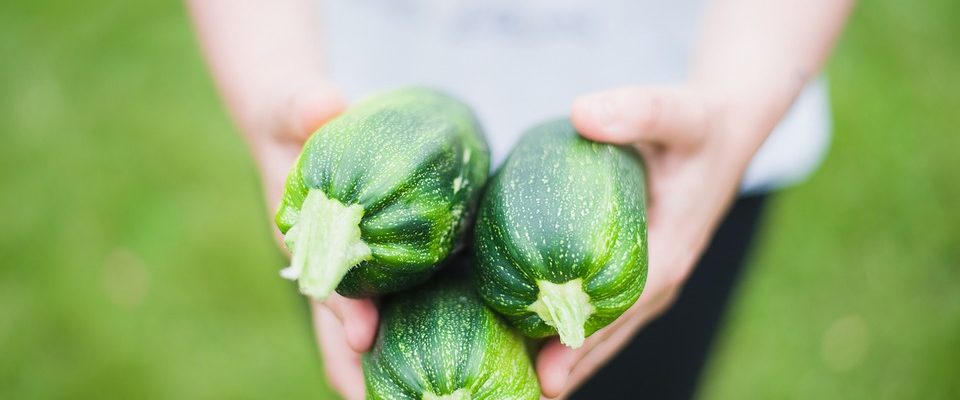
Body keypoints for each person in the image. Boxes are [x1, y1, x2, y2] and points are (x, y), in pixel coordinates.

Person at [188, 1, 853, 398]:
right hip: (358, 119)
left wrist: (738, 112)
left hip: (689, 136)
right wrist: (269, 81)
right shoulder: (339, 192)